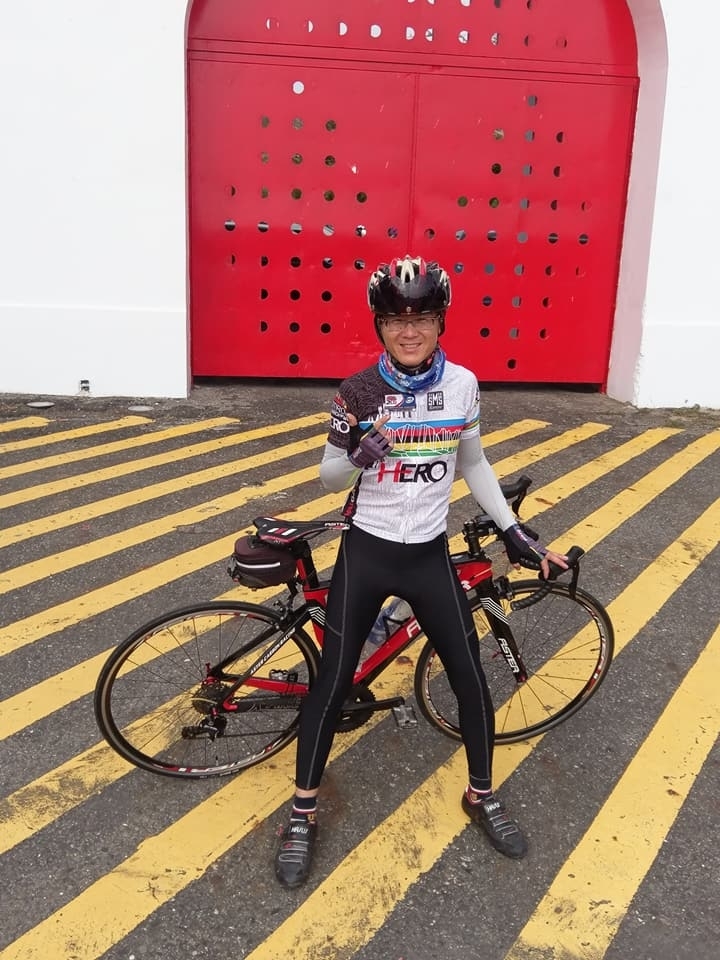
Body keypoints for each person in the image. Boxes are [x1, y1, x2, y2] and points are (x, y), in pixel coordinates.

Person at [274, 255, 567, 889]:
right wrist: (358, 455)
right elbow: (327, 478)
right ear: (379, 325)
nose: (410, 331)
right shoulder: (358, 391)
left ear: (441, 322)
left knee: (469, 675)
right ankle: (301, 813)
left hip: (427, 553)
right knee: (333, 680)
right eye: (396, 320)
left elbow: (473, 463)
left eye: (423, 318)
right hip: (368, 551)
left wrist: (513, 529)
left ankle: (481, 794)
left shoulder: (462, 385)